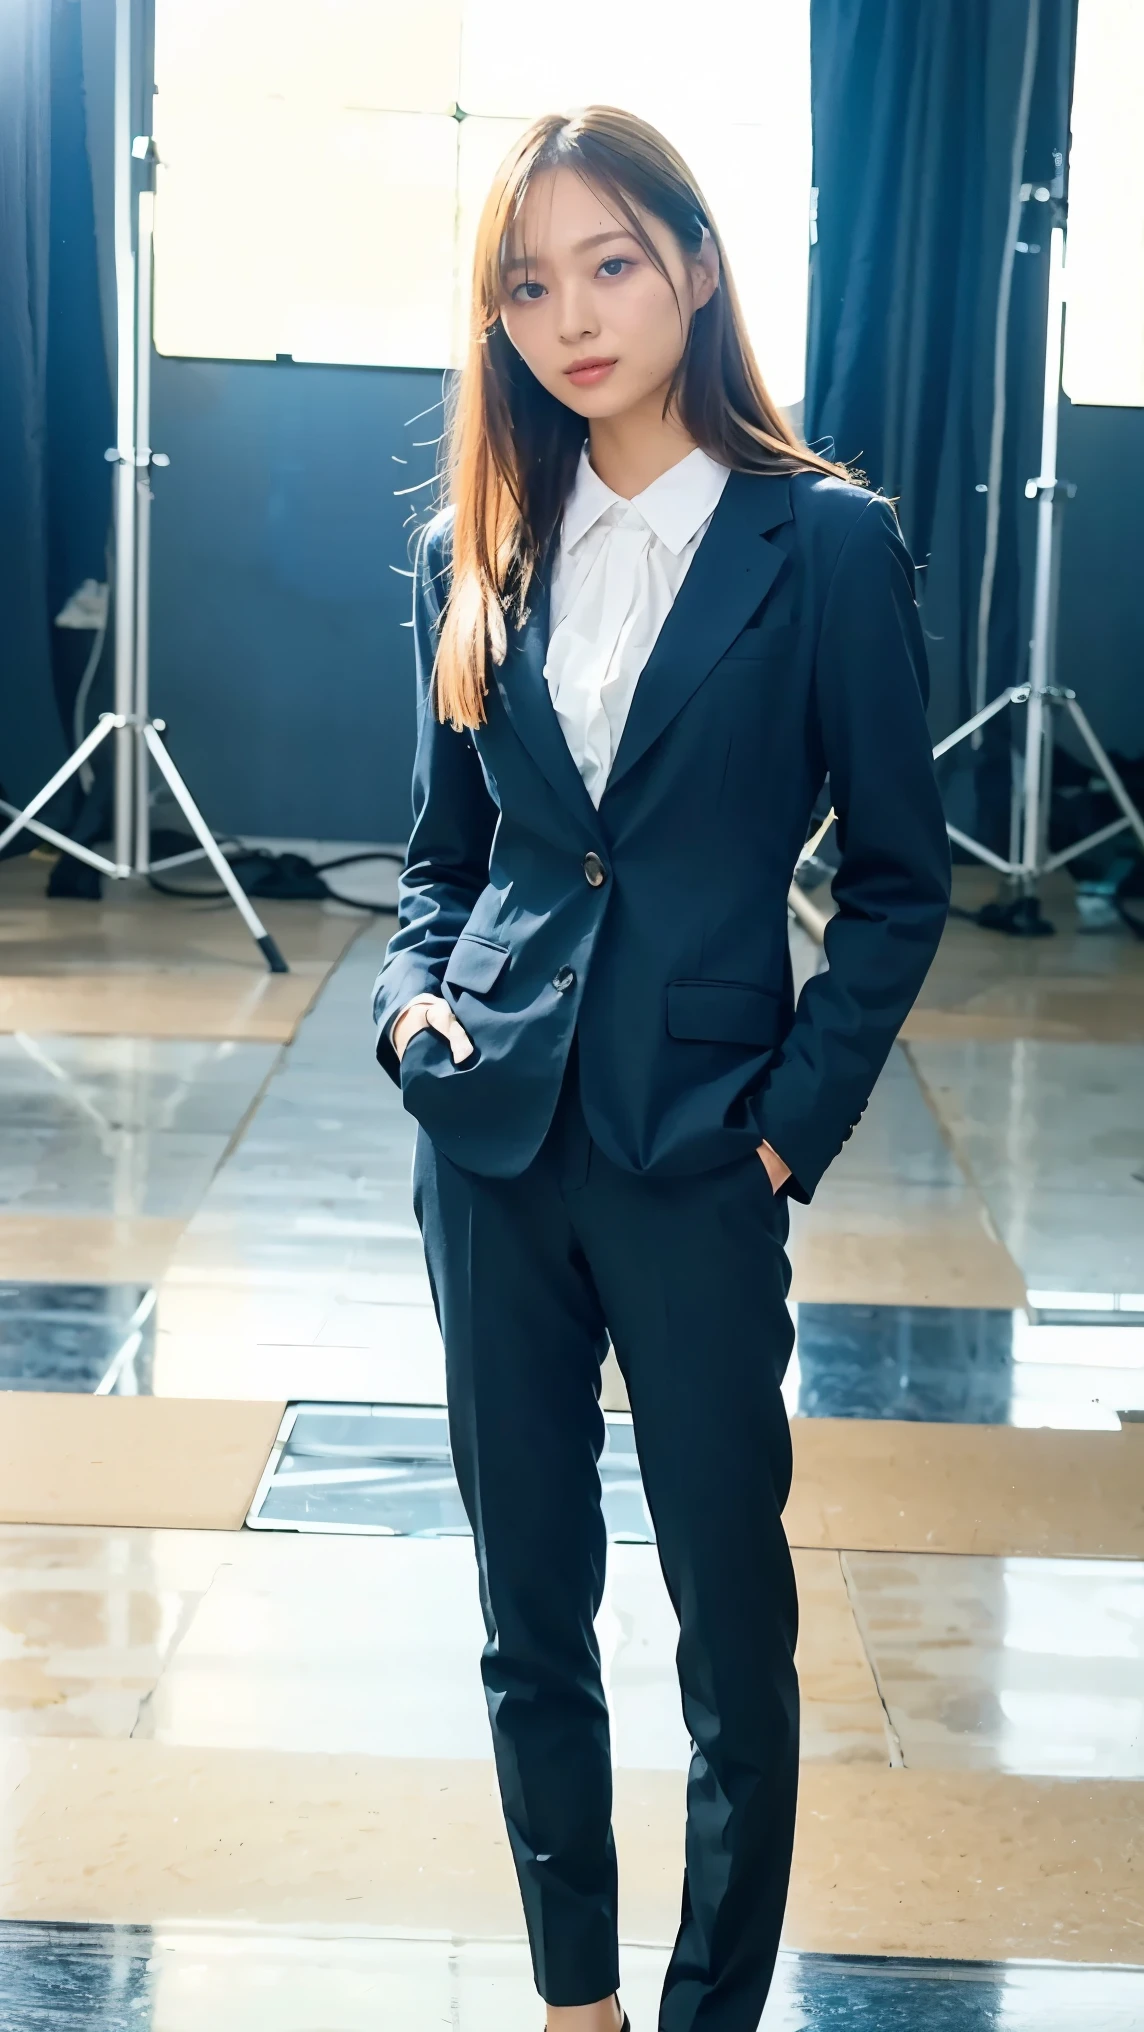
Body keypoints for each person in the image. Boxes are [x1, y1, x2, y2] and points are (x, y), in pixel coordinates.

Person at [372, 106, 951, 2032]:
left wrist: (788, 1132)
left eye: (610, 264)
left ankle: (706, 2009)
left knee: (730, 1628)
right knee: (527, 1612)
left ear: (697, 266)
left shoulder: (829, 543)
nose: (573, 317)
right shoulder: (476, 545)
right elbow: (442, 861)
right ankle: (575, 2003)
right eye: (528, 284)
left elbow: (900, 884)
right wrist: (411, 1010)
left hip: (704, 1152)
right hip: (490, 1140)